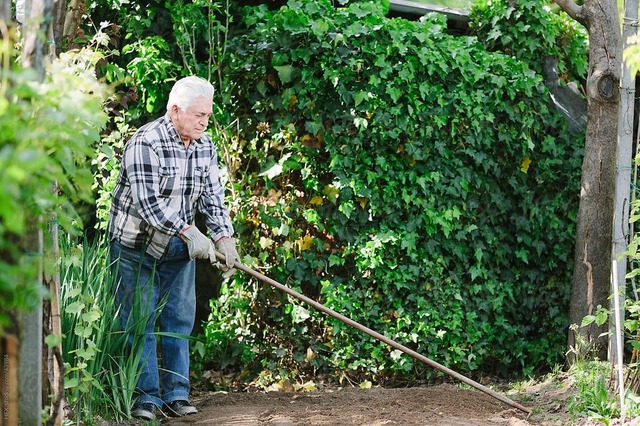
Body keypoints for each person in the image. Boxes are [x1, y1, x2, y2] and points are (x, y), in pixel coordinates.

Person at [107, 76, 239, 420]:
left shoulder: (204, 144)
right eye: (198, 115)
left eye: (208, 116)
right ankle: (146, 398)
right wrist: (189, 231)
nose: (204, 122)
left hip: (178, 249)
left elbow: (212, 198)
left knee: (179, 320)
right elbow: (149, 203)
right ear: (175, 110)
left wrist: (224, 237)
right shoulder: (145, 142)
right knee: (141, 320)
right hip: (135, 247)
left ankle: (177, 395)